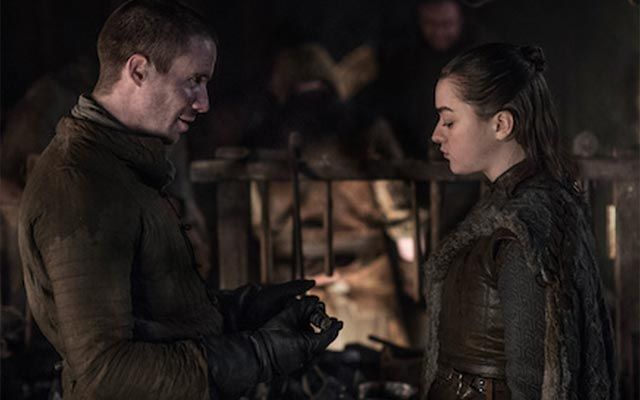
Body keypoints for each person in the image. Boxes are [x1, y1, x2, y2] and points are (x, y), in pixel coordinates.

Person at [17, 1, 342, 399]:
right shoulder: (81, 185)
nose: (204, 103)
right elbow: (105, 373)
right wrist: (259, 354)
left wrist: (246, 311)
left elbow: (157, 318)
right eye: (194, 81)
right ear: (139, 70)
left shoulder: (123, 167)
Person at [422, 43, 617, 399]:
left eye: (449, 121)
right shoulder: (512, 209)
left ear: (501, 124)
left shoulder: (522, 230)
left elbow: (533, 385)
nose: (437, 134)